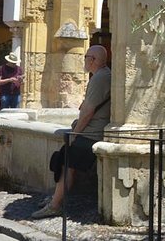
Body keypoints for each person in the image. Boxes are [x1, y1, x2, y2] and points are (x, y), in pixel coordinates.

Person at [31, 45, 111, 219]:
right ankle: (55, 197)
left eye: (86, 57)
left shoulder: (100, 78)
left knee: (67, 163)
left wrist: (75, 134)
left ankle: (55, 205)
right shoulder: (100, 76)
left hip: (91, 133)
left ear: (94, 60)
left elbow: (88, 111)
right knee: (63, 159)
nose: (84, 60)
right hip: (90, 131)